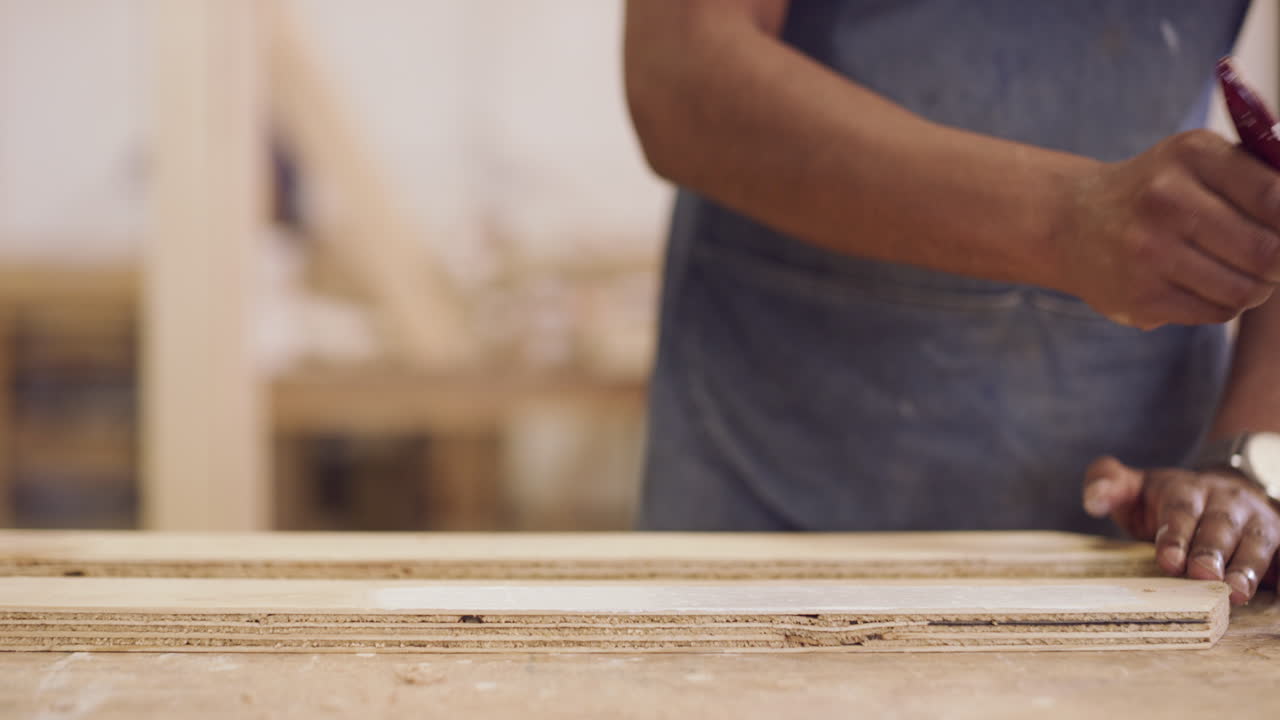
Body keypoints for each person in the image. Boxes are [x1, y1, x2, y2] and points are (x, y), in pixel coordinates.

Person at [624, 0, 1280, 605]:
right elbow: (679, 74)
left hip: (1144, 488)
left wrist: (1250, 462)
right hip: (769, 451)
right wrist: (1066, 222)